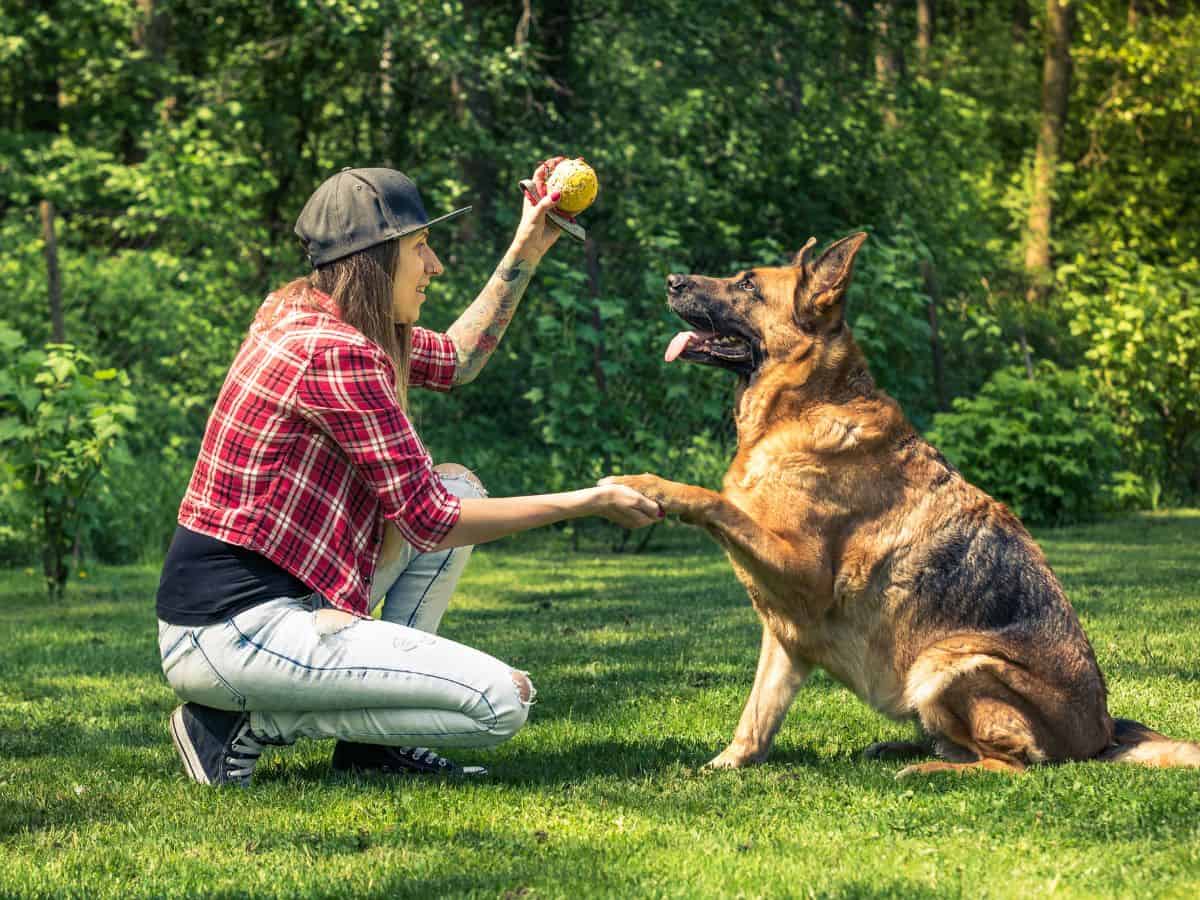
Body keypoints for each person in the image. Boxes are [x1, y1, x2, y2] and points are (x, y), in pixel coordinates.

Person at [156, 161, 660, 787]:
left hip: (270, 604)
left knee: (458, 484)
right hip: (233, 629)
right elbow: (430, 521)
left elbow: (458, 359)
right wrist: (587, 501)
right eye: (420, 247)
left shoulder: (315, 315)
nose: (435, 265)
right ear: (374, 259)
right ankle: (237, 726)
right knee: (501, 702)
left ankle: (373, 750)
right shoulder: (334, 352)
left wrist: (530, 241)